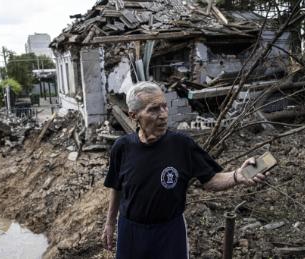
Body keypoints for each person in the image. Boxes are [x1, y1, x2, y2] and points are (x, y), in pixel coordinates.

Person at [102, 81, 269, 259]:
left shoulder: (181, 145)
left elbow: (211, 180)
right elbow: (116, 186)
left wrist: (237, 175)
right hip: (131, 231)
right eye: (153, 109)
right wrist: (110, 222)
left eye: (164, 107)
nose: (163, 115)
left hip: (169, 231)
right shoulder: (122, 147)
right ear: (133, 115)